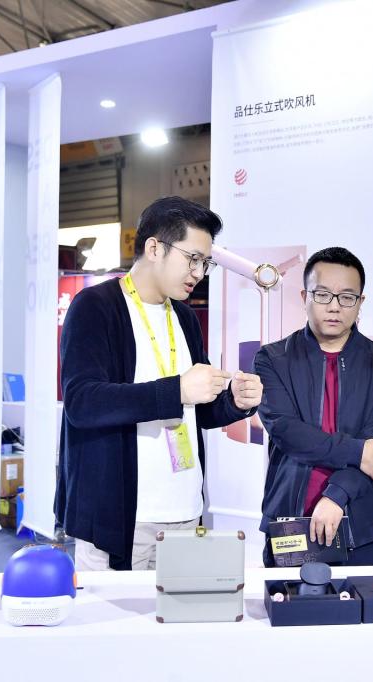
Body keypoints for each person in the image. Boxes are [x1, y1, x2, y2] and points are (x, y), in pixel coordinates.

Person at [56, 196, 263, 570]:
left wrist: (235, 400)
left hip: (185, 511)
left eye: (206, 263)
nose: (199, 272)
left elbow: (198, 411)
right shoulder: (95, 306)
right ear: (154, 248)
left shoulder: (183, 316)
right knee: (115, 610)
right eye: (192, 258)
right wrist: (177, 389)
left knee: (177, 608)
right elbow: (82, 402)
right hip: (122, 517)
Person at [253, 247, 373, 567]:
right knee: (291, 601)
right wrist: (358, 451)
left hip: (363, 519)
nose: (334, 306)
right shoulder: (273, 359)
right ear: (304, 297)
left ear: (360, 302)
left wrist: (336, 494)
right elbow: (287, 432)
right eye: (322, 295)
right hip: (292, 518)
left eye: (347, 297)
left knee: (363, 600)